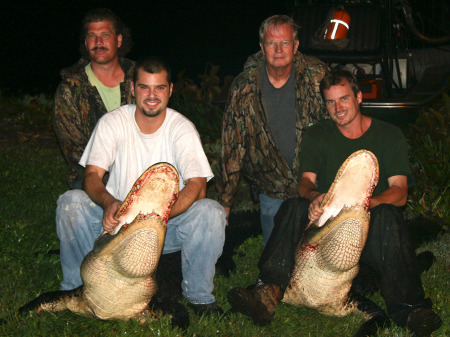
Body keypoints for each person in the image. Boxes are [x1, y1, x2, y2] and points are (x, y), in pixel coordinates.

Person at [227, 69, 442, 336]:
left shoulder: (389, 134)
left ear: (359, 97)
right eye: (330, 102)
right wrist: (314, 196)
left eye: (343, 99)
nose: (338, 108)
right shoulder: (318, 134)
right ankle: (269, 289)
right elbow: (305, 181)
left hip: (369, 223)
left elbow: (400, 193)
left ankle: (411, 308)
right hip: (328, 224)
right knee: (293, 206)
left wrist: (365, 204)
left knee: (389, 214)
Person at [56, 56, 226, 315]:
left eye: (159, 87)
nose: (152, 95)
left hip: (163, 226)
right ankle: (76, 288)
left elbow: (197, 186)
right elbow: (91, 174)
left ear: (170, 90)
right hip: (117, 223)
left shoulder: (182, 128)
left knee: (211, 211)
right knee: (70, 202)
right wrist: (108, 203)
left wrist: (159, 217)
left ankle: (200, 296)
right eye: (145, 87)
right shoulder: (113, 122)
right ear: (133, 89)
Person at [216, 15, 329, 244]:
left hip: (317, 184)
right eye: (271, 43)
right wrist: (224, 203)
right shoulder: (243, 86)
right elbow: (232, 147)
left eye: (285, 42)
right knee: (275, 259)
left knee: (318, 255)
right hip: (270, 188)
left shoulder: (318, 76)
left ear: (296, 46)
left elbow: (339, 123)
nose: (278, 49)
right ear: (261, 47)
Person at [54, 8, 135, 190]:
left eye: (105, 35)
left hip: (141, 175)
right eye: (92, 36)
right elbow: (75, 153)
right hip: (93, 180)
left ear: (119, 40)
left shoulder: (141, 80)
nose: (98, 42)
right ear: (86, 42)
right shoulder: (70, 89)